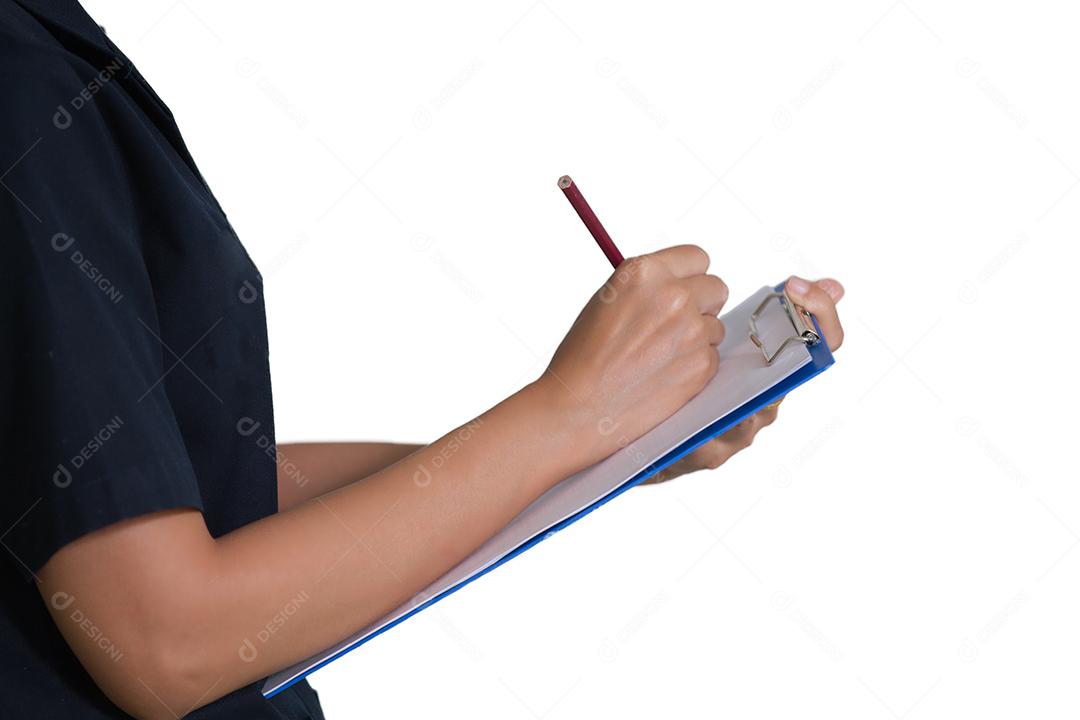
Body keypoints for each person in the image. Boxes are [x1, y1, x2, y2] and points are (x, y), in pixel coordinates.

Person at [0, 1, 845, 718]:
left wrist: (593, 443)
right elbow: (166, 639)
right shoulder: (20, 78)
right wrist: (568, 417)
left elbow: (207, 492)